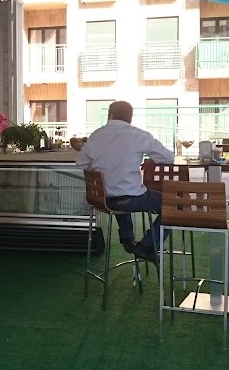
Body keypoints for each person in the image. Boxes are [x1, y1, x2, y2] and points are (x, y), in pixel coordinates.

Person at [75, 101, 175, 264]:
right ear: (130, 117)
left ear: (110, 115)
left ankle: (128, 239)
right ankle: (147, 246)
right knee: (174, 204)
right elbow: (169, 158)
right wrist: (152, 159)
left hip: (103, 199)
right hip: (130, 199)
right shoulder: (140, 135)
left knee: (120, 191)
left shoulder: (96, 136)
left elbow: (81, 162)